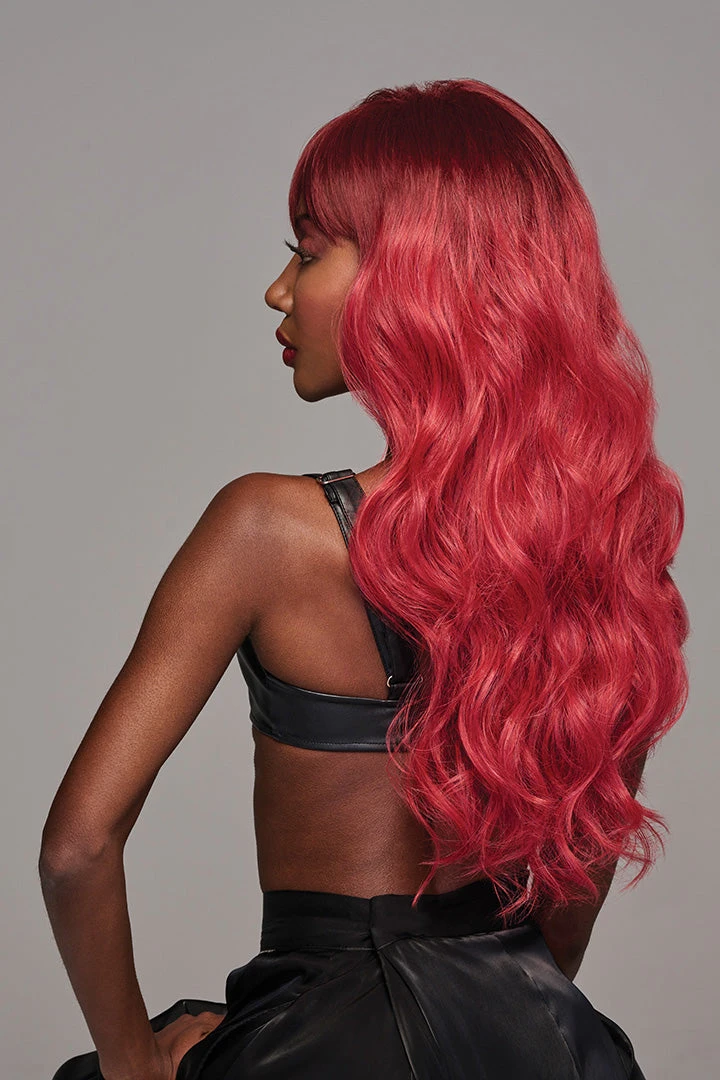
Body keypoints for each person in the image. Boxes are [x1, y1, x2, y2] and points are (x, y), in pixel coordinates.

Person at [42, 78, 689, 1080]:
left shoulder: (269, 528)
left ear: (413, 277)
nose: (278, 290)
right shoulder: (609, 548)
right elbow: (572, 901)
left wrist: (133, 1066)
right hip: (539, 1033)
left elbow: (77, 848)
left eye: (306, 253)